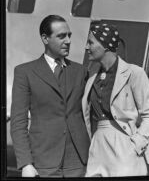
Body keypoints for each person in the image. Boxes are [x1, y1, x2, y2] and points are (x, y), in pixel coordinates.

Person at [10, 15, 90, 177]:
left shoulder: (81, 71)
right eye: (61, 36)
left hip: (78, 161)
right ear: (45, 39)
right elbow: (18, 122)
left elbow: (90, 115)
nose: (68, 41)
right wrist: (26, 163)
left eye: (69, 35)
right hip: (43, 162)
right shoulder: (24, 72)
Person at [82, 21, 149, 177]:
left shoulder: (134, 73)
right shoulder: (92, 78)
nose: (86, 47)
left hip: (125, 148)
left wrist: (137, 142)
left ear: (105, 45)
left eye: (90, 42)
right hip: (97, 147)